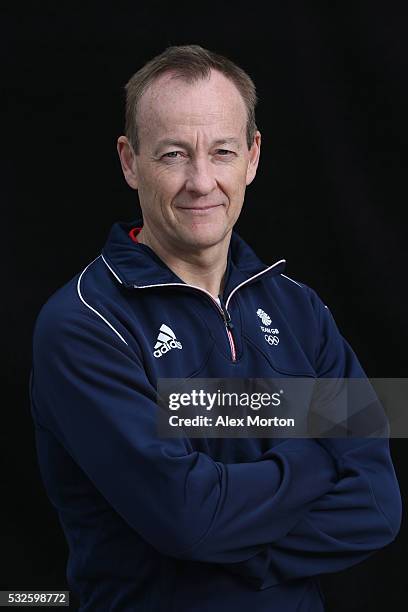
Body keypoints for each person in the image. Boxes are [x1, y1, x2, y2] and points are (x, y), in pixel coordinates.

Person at [30, 44, 402, 612]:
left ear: (252, 157)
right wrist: (320, 454)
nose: (201, 182)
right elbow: (187, 518)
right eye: (174, 154)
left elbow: (377, 505)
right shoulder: (83, 324)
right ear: (130, 162)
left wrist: (229, 550)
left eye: (222, 151)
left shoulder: (301, 310)